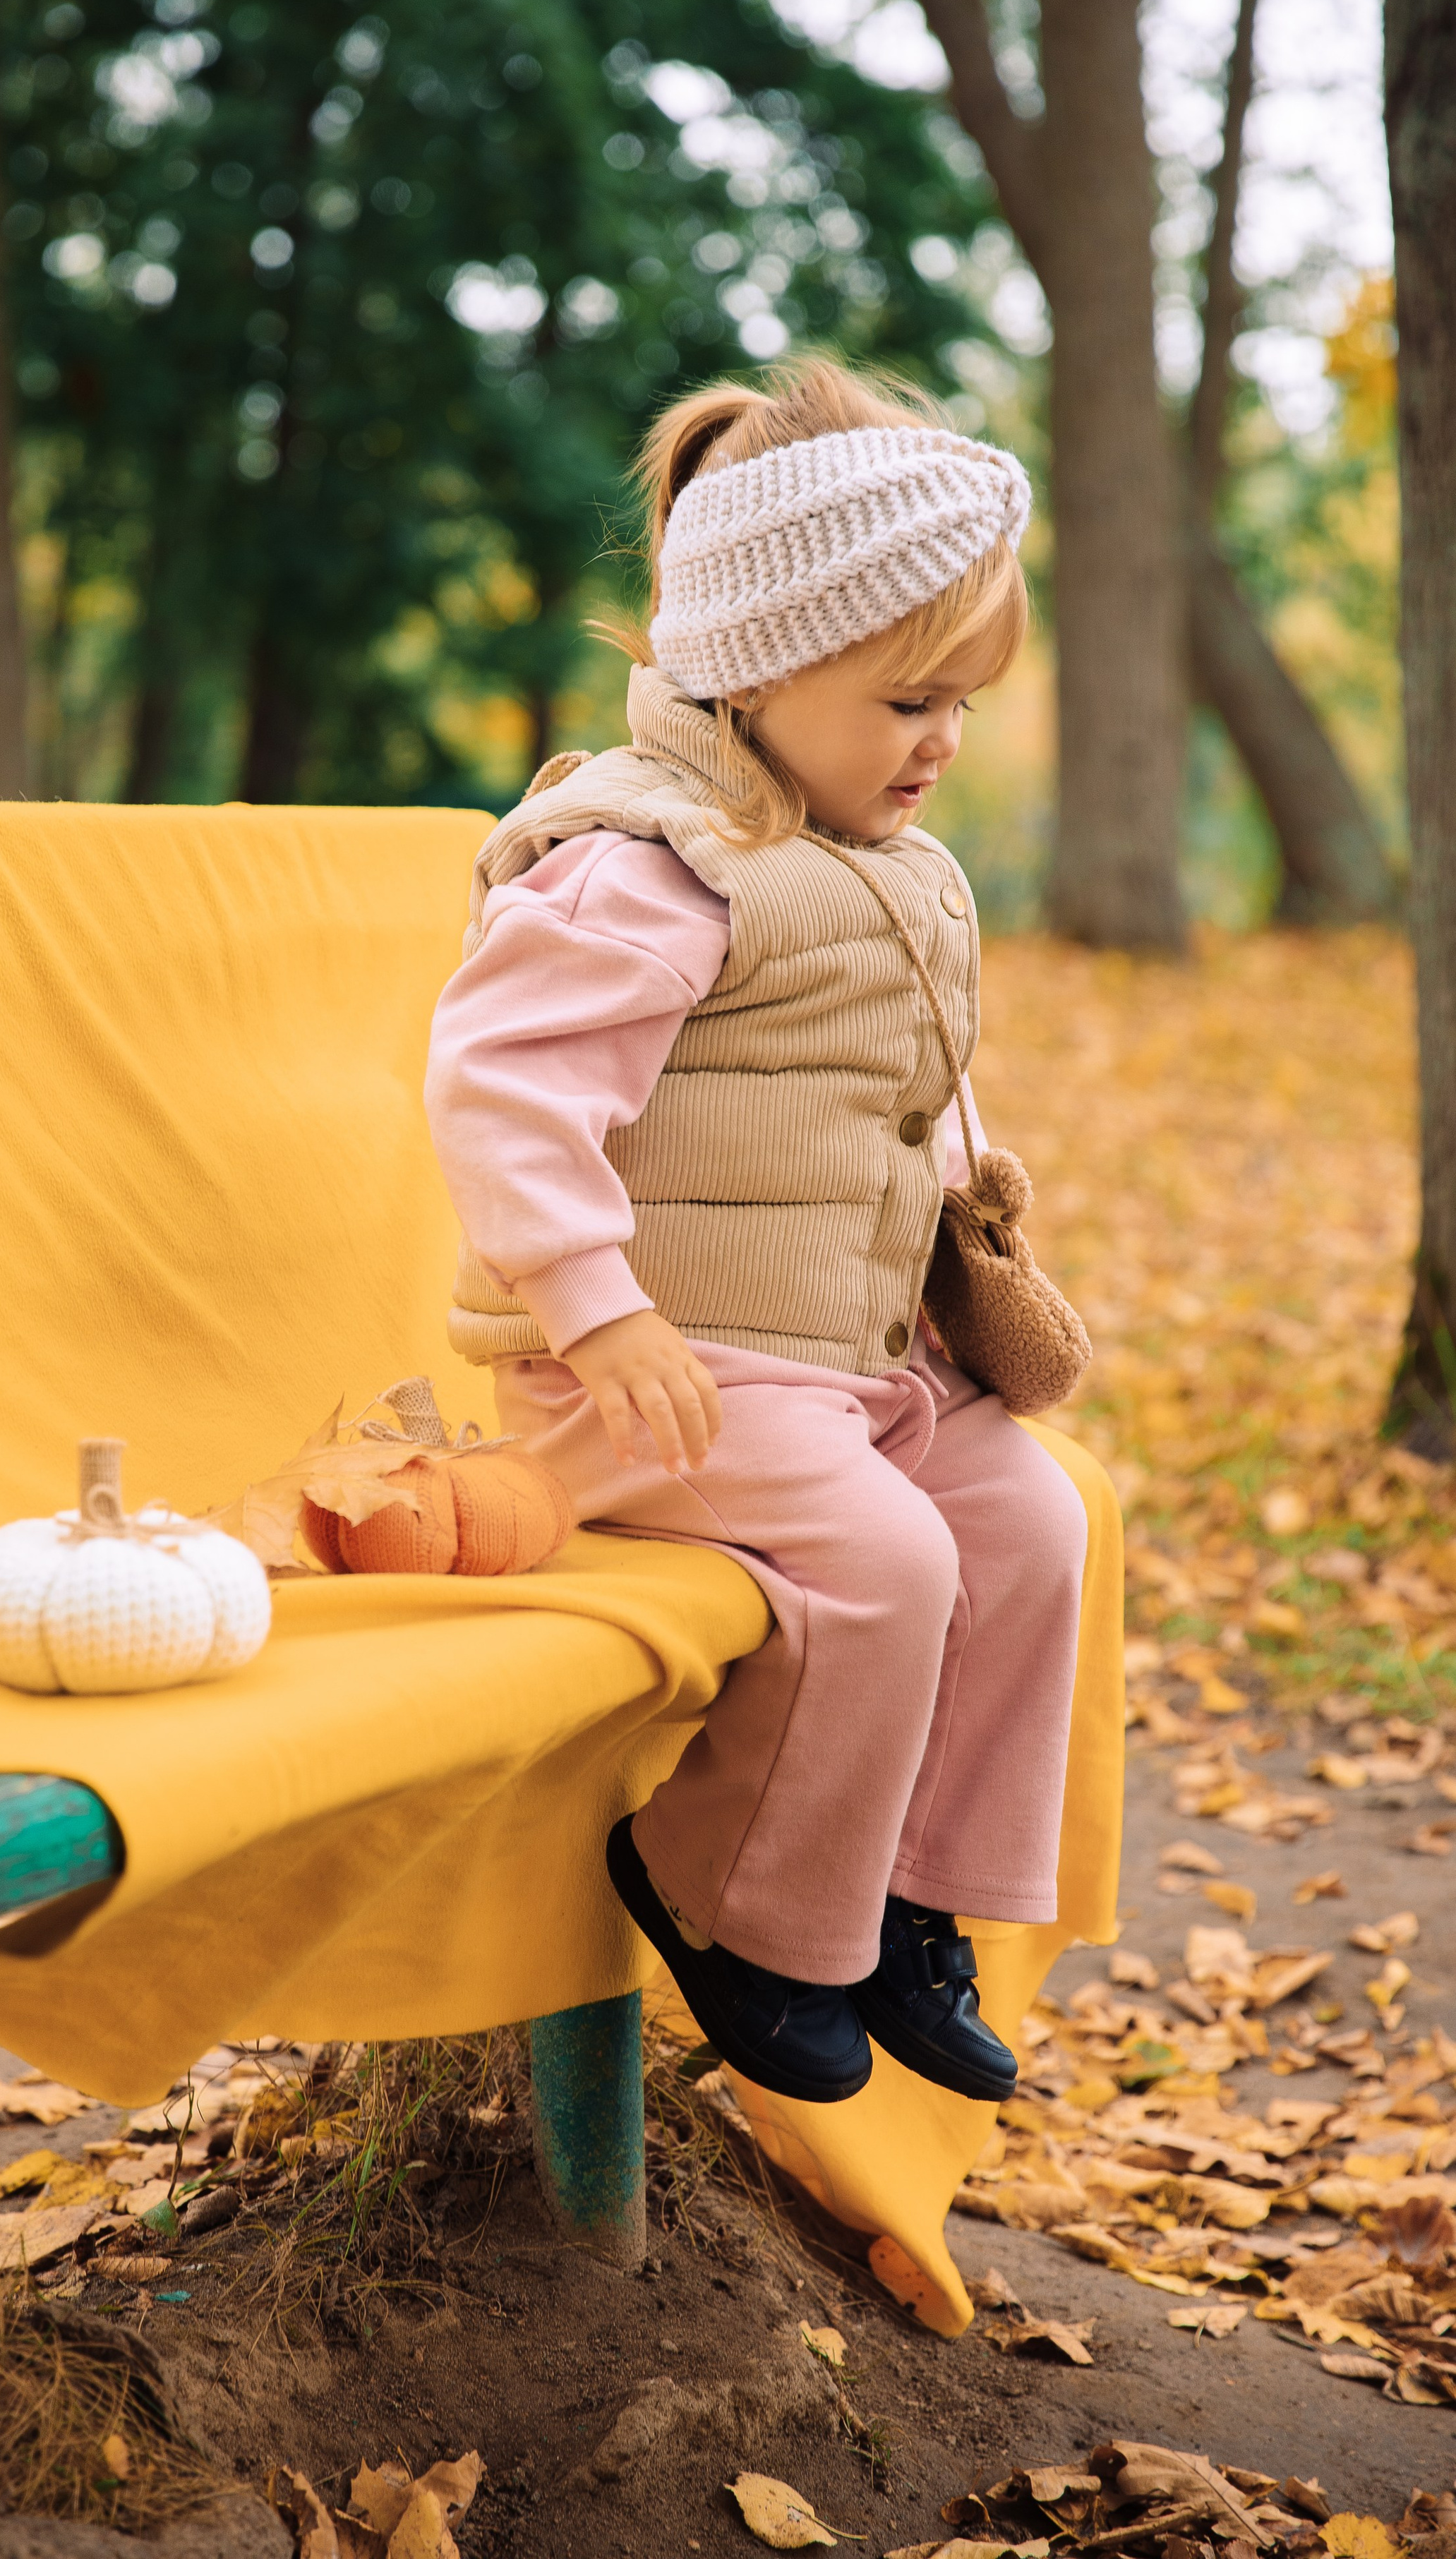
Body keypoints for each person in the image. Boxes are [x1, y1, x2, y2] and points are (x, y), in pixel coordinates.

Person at [424, 356, 1089, 2107]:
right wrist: (592, 1306)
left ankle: (905, 1898)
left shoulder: (891, 860)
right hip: (657, 1380)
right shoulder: (645, 860)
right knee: (888, 1568)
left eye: (963, 700)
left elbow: (900, 1084)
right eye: (906, 701)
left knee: (1024, 1517)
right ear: (755, 664)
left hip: (849, 1359)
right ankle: (738, 1899)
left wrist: (967, 1208)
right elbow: (501, 1087)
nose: (943, 741)